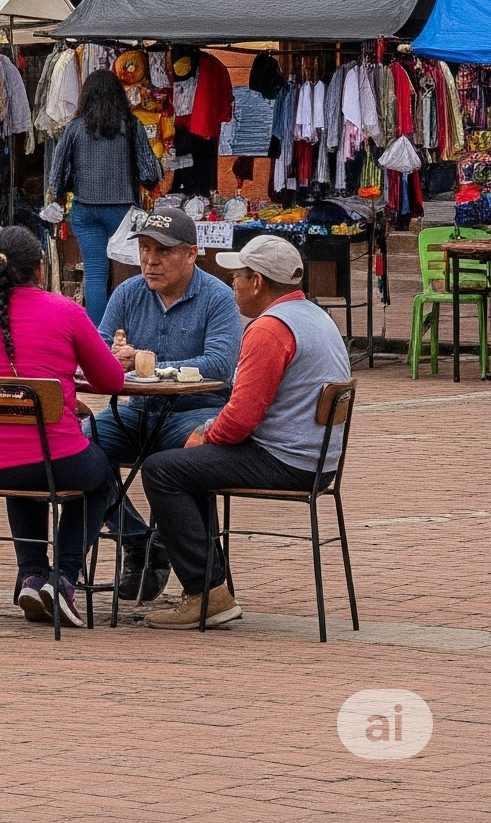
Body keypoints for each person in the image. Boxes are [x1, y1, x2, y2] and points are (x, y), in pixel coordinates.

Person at [140, 235, 352, 630]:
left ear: (256, 282)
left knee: (161, 470)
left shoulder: (270, 329)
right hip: (316, 457)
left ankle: (206, 593)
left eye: (237, 276)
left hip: (287, 460)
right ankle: (210, 586)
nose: (231, 283)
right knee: (186, 467)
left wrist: (205, 434)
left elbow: (239, 420)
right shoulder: (314, 315)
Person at [0, 225, 127, 625]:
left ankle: (31, 574)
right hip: (53, 454)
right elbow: (111, 381)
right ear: (40, 270)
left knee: (20, 466)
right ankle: (62, 579)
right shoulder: (65, 311)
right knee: (99, 478)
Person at [90, 199, 243, 603]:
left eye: (163, 251)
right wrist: (112, 360)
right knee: (74, 443)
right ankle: (135, 537)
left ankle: (204, 578)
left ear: (191, 253)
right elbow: (99, 351)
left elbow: (219, 365)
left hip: (193, 411)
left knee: (193, 453)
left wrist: (148, 364)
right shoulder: (127, 293)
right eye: (145, 249)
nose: (150, 261)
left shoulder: (217, 298)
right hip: (133, 412)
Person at [44, 68, 147, 323]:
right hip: (123, 210)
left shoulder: (75, 128)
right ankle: (128, 328)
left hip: (85, 209)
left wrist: (58, 196)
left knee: (95, 275)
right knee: (129, 271)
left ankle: (100, 336)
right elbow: (149, 170)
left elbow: (57, 172)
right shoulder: (132, 126)